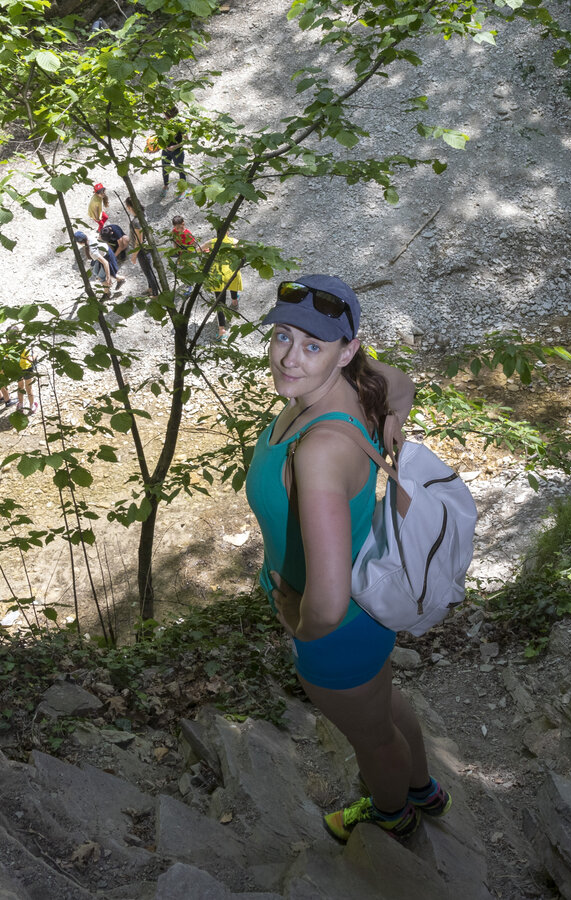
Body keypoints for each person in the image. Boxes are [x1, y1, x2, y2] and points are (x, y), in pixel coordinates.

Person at [245, 275, 451, 844]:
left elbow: (329, 604)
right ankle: (423, 789)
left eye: (314, 345)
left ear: (348, 349)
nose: (289, 358)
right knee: (382, 709)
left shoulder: (321, 450)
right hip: (371, 619)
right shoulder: (355, 390)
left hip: (339, 632)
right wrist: (389, 417)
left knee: (373, 738)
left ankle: (392, 814)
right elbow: (401, 382)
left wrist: (302, 627)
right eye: (283, 336)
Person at [203, 234, 243, 337]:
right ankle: (234, 302)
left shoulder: (212, 242)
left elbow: (198, 249)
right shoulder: (235, 241)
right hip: (232, 271)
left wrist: (207, 251)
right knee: (232, 285)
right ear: (227, 233)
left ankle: (222, 330)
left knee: (220, 302)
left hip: (218, 274)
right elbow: (243, 253)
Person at [125, 196, 159, 297]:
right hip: (145, 248)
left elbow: (139, 240)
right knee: (148, 270)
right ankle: (151, 288)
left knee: (148, 272)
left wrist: (134, 255)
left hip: (142, 250)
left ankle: (156, 294)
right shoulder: (142, 214)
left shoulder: (136, 222)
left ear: (130, 207)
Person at [7, 325, 38, 416]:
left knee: (20, 387)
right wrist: (35, 354)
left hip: (16, 369)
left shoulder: (7, 348)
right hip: (27, 369)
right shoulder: (21, 347)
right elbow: (30, 359)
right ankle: (32, 406)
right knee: (29, 388)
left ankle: (20, 405)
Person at [159, 106, 186, 196]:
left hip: (177, 151)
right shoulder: (163, 121)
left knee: (180, 169)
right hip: (166, 150)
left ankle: (183, 190)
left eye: (168, 117)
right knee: (165, 167)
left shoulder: (180, 124)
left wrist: (176, 146)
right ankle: (165, 186)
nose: (166, 118)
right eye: (165, 116)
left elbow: (187, 140)